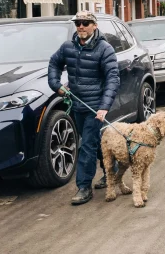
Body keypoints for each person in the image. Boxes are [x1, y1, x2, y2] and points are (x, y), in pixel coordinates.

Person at [48, 11, 120, 205]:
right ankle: (111, 171)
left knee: (86, 145)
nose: (81, 26)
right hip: (77, 104)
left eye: (85, 23)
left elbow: (113, 78)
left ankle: (83, 187)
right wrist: (56, 85)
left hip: (95, 106)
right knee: (93, 141)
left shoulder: (105, 49)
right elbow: (54, 63)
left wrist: (104, 107)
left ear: (94, 26)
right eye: (78, 23)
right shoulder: (67, 47)